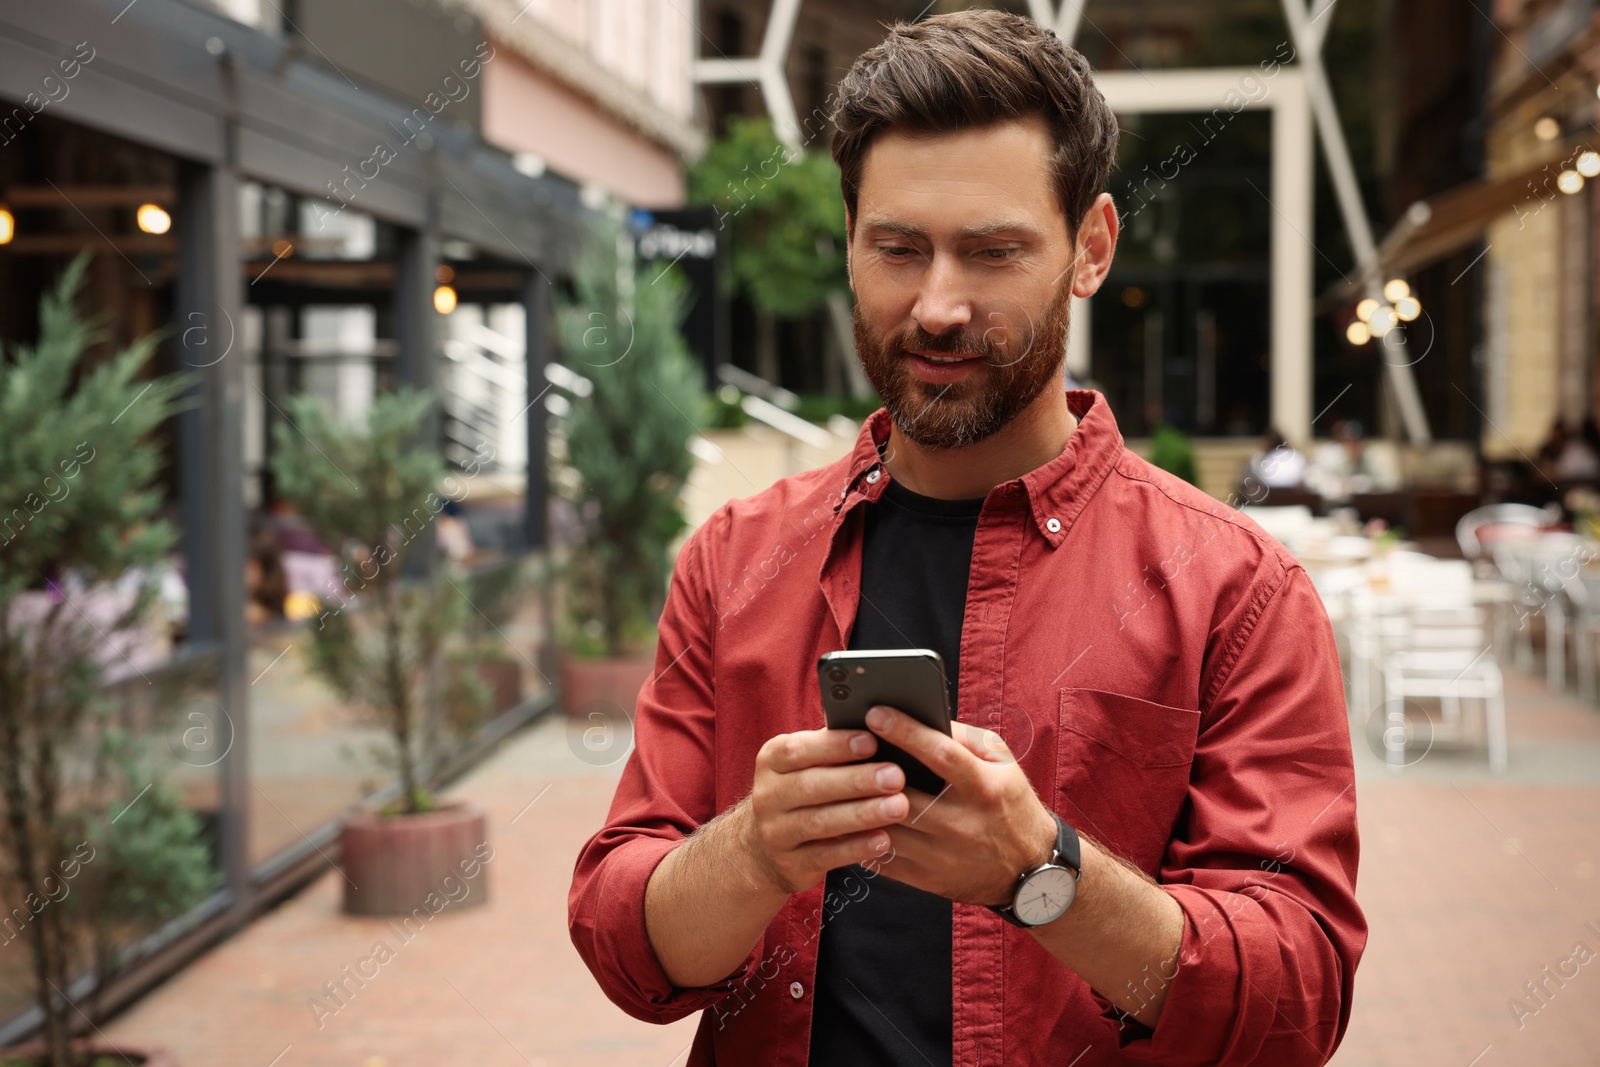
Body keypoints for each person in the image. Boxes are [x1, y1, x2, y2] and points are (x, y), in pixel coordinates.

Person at [569, 12, 1364, 1066]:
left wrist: (1041, 872)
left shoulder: (1231, 583)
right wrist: (754, 850)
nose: (937, 305)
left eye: (991, 252)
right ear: (849, 242)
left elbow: (1295, 1000)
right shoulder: (733, 557)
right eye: (898, 249)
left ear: (1090, 248)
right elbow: (628, 946)